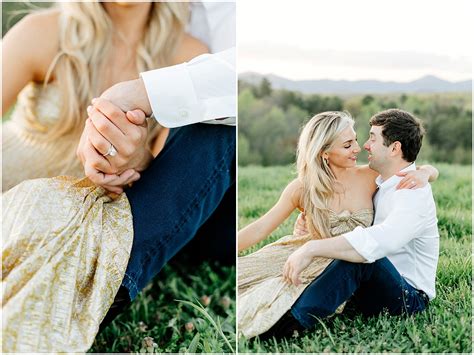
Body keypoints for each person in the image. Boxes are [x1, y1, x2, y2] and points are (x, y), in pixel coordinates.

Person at [1, 2, 217, 352]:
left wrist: (136, 157)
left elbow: (164, 168)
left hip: (72, 213)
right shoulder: (43, 30)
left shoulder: (189, 55)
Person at [75, 1, 237, 332]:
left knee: (214, 121)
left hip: (215, 210)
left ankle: (91, 291)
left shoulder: (191, 39)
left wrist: (141, 95)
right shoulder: (49, 30)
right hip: (154, 204)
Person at [237, 110, 438, 339]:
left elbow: (380, 239)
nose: (362, 147)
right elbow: (261, 226)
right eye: (348, 144)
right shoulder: (379, 181)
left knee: (364, 259)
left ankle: (287, 327)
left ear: (394, 148)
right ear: (324, 152)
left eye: (370, 138)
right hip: (352, 278)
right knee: (260, 283)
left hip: (406, 295)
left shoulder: (403, 189)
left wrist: (426, 172)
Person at [1, 1, 206, 192]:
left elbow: (167, 183)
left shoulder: (189, 58)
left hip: (84, 219)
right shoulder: (41, 31)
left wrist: (138, 161)